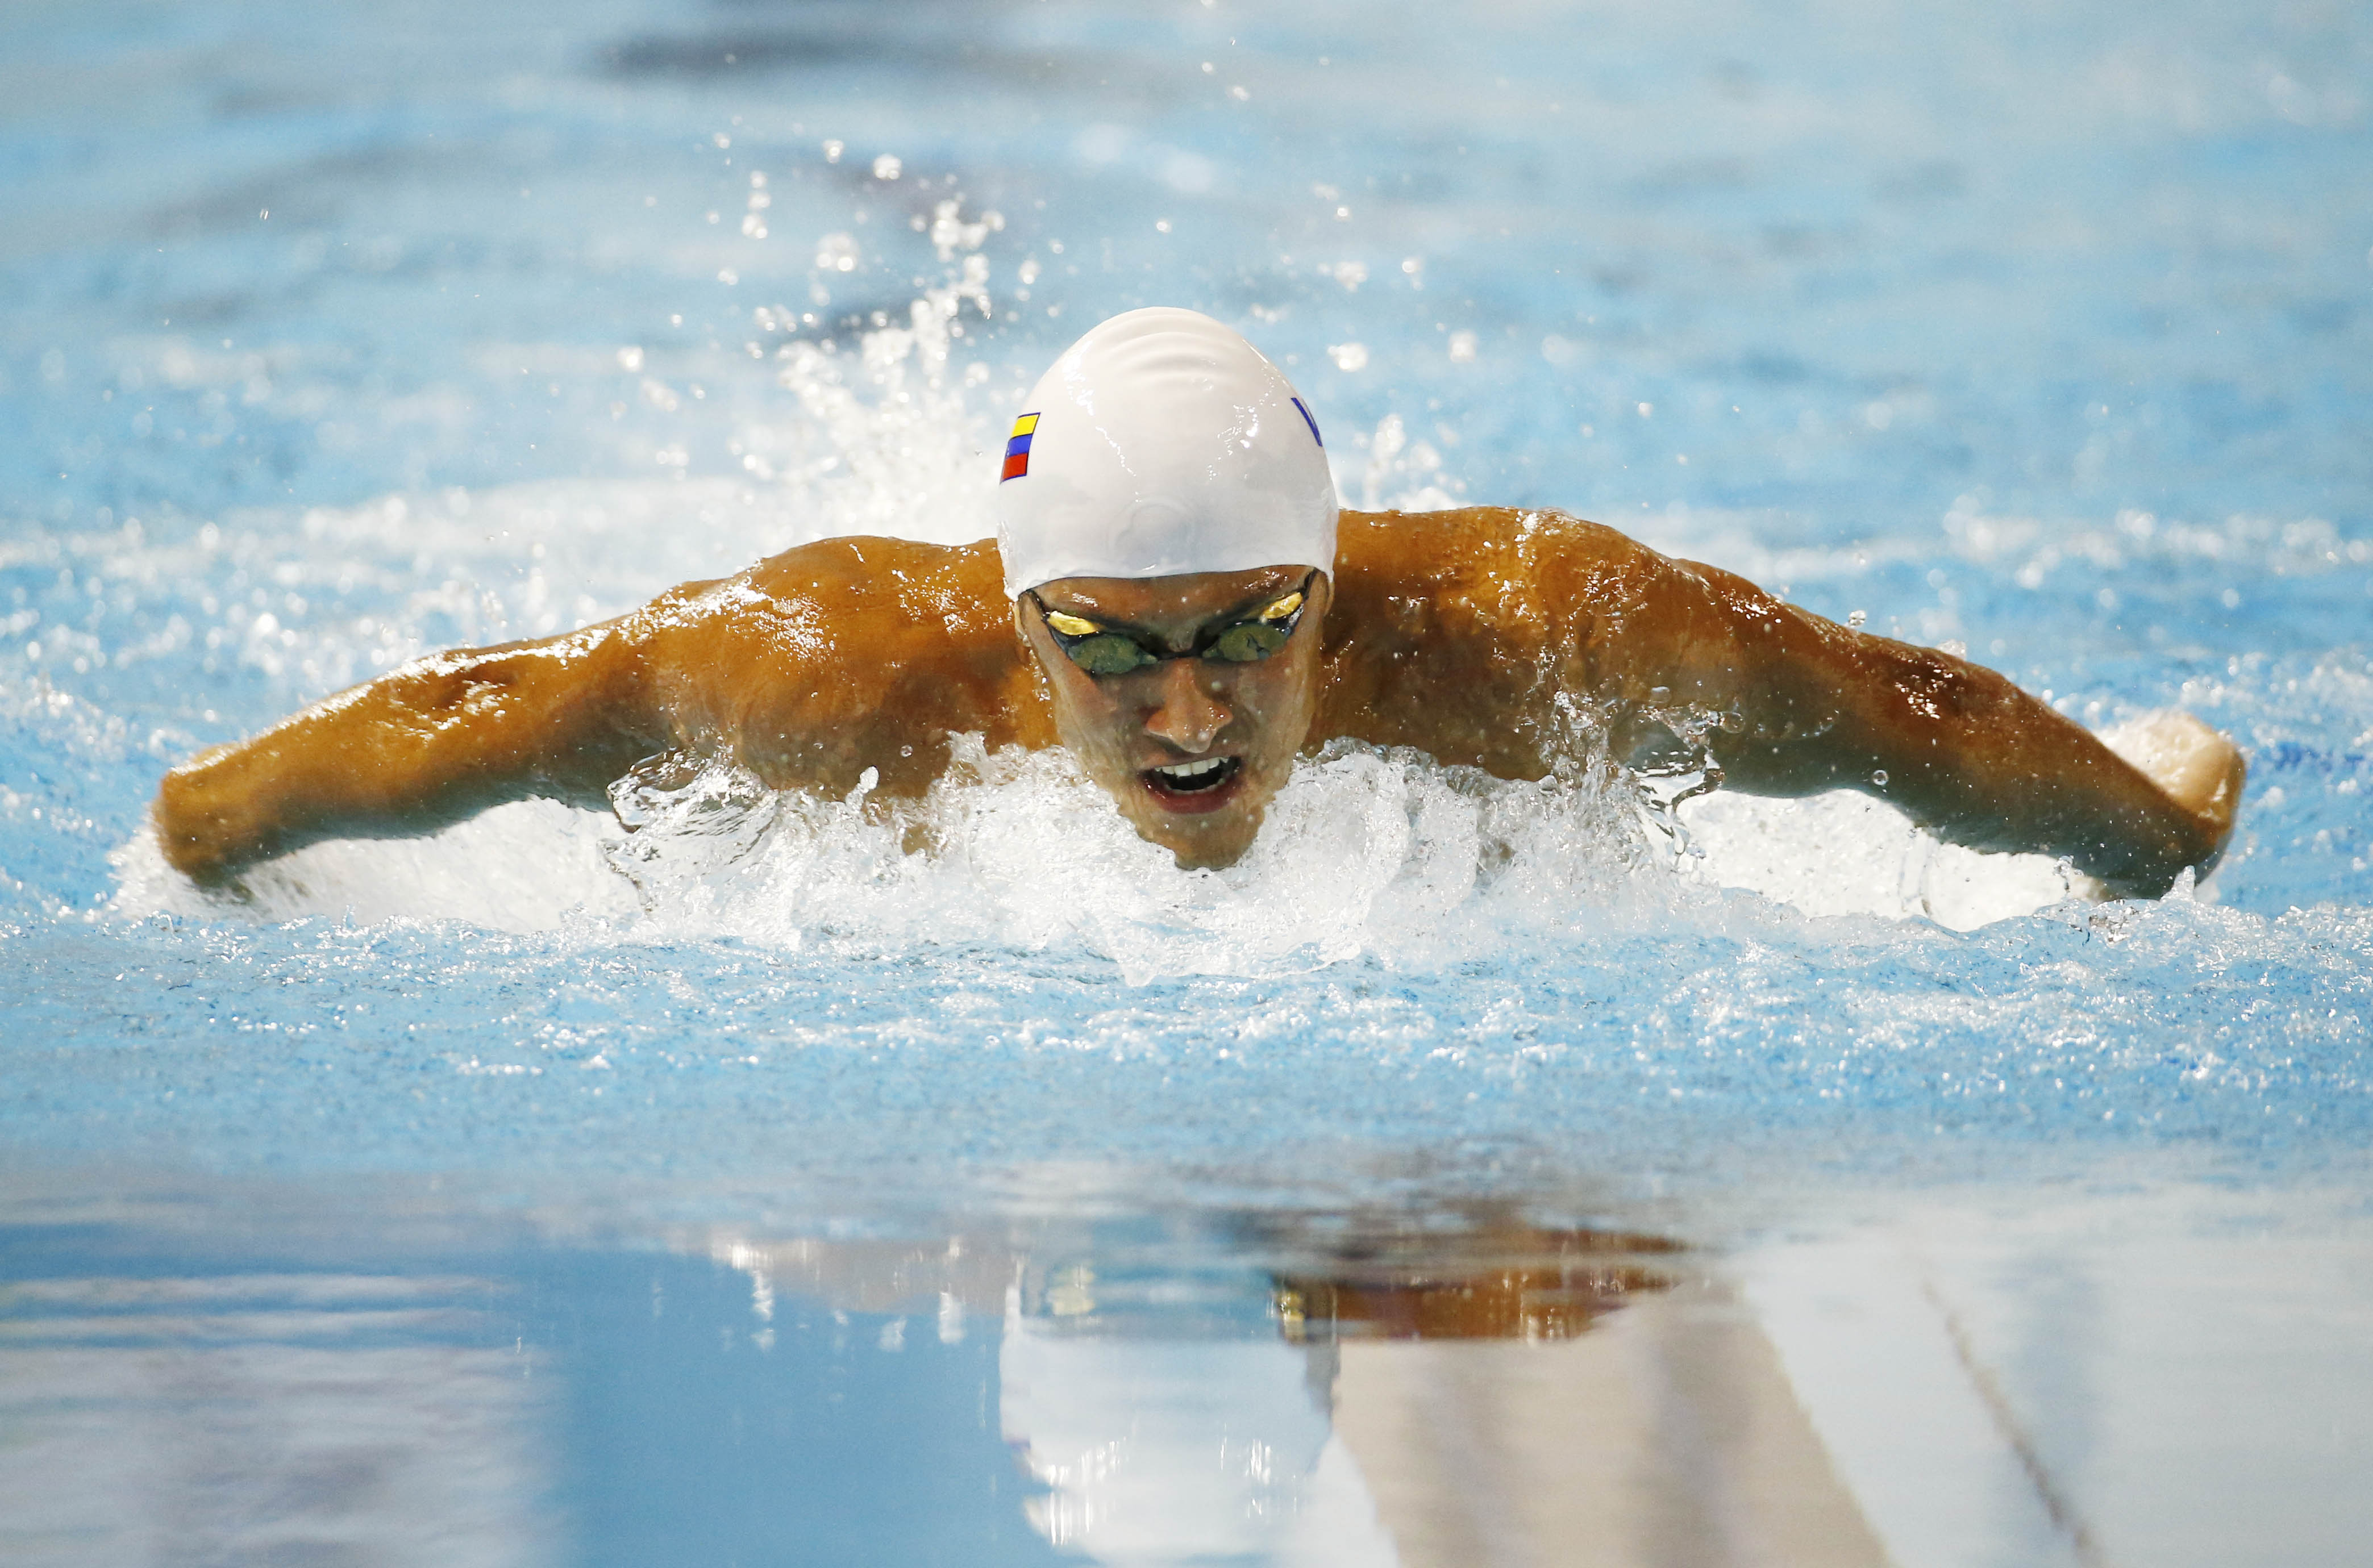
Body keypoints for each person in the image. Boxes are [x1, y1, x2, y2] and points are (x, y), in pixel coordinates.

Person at [152, 308, 2244, 901]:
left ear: (1334, 593)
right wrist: (210, 830)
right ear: (1020, 614)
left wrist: (2147, 832)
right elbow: (509, 704)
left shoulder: (1537, 631)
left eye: (1251, 629)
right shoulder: (845, 677)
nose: (1186, 714)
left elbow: (1890, 710)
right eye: (1111, 646)